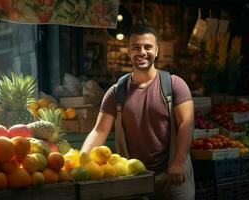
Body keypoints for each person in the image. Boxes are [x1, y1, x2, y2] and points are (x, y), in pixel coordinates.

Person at [81, 23, 195, 200]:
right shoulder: (116, 92)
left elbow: (187, 123)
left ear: (156, 51)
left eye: (148, 47)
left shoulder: (174, 84)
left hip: (172, 175)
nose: (142, 52)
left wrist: (178, 162)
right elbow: (99, 131)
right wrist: (82, 161)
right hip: (134, 177)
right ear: (128, 51)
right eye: (136, 47)